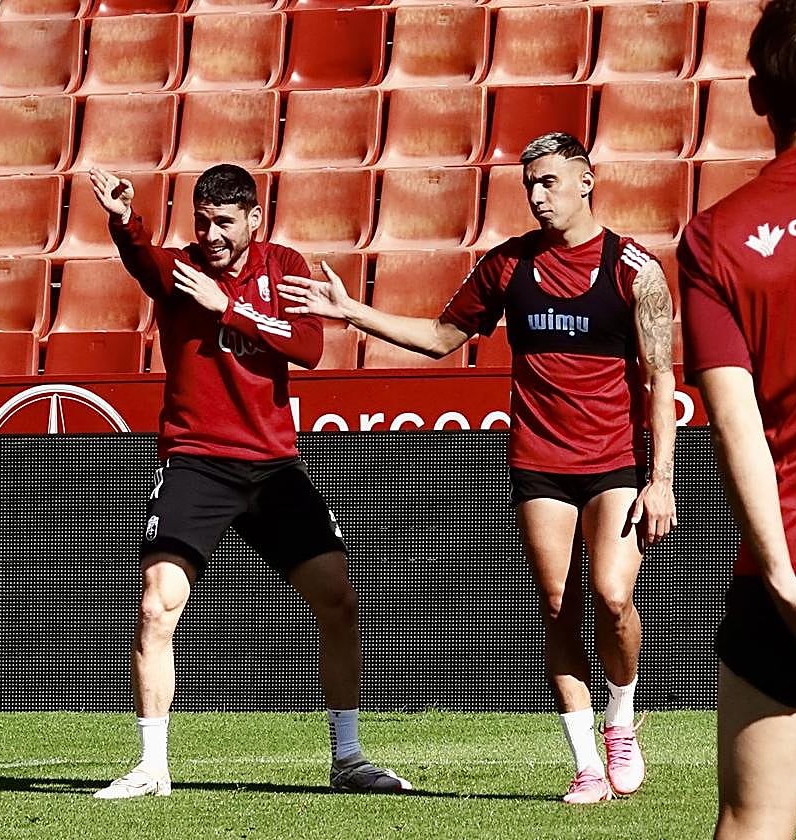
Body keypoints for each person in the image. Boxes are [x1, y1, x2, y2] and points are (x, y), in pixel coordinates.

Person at [279, 134, 678, 804]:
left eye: (549, 181)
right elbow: (440, 339)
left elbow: (659, 378)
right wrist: (351, 314)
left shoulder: (633, 269)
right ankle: (585, 765)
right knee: (557, 607)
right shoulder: (508, 267)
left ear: (587, 179)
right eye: (529, 184)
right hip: (539, 463)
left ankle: (620, 717)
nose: (537, 195)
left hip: (613, 463)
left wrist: (661, 477)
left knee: (612, 597)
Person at [87, 164, 411, 799]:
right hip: (197, 461)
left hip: (272, 464)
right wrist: (125, 219)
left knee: (338, 600)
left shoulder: (284, 265)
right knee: (156, 604)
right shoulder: (180, 271)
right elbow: (141, 258)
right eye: (202, 222)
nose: (210, 235)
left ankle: (347, 756)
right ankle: (152, 765)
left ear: (254, 219)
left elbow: (310, 346)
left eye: (223, 223)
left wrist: (229, 309)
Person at [678, 1, 796, 836]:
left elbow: (733, 420)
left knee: (753, 822)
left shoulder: (717, 238)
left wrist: (778, 575)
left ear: (756, 94)